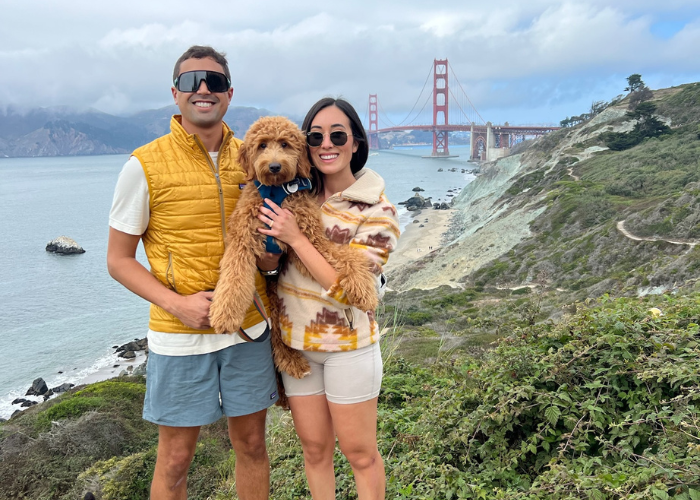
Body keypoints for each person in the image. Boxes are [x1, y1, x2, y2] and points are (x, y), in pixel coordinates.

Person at [107, 45, 280, 500]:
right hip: (178, 336)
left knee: (252, 444)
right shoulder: (143, 164)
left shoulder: (255, 158)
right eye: (191, 81)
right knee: (176, 459)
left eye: (215, 81)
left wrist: (272, 259)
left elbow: (278, 236)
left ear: (229, 93)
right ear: (175, 93)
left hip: (248, 328)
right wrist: (176, 303)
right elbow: (119, 259)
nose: (203, 89)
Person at [257, 97, 400, 500]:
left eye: (338, 135)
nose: (326, 144)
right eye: (315, 136)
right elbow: (274, 270)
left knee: (360, 454)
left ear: (356, 142)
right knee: (315, 451)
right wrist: (269, 260)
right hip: (297, 349)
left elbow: (352, 291)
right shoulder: (291, 195)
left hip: (347, 349)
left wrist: (297, 239)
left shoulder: (379, 210)